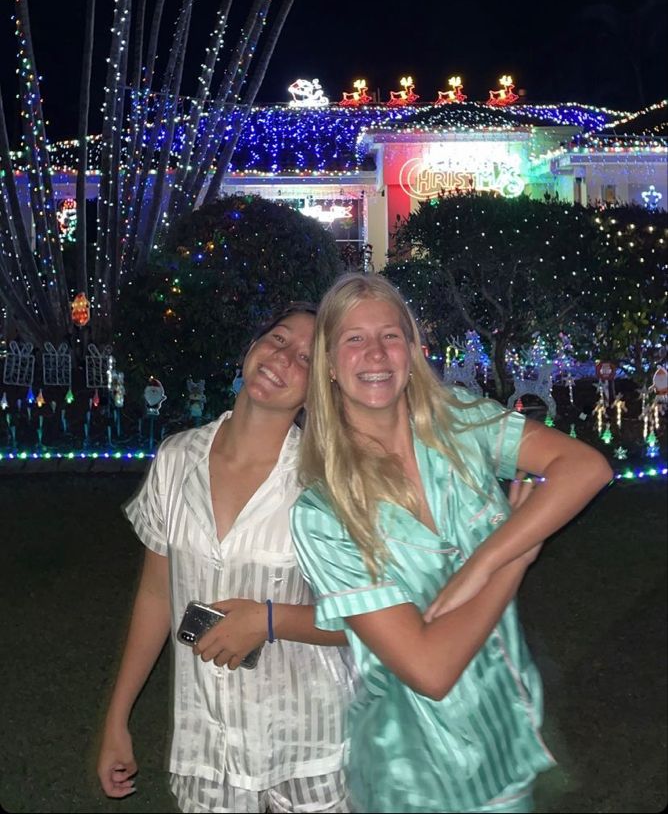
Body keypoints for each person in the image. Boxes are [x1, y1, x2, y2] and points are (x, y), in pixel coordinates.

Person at [290, 274, 614, 814]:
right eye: (353, 338)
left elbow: (587, 467)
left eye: (390, 335)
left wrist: (484, 558)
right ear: (327, 362)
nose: (375, 352)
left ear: (413, 349)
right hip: (416, 775)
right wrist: (515, 556)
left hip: (505, 741)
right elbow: (430, 670)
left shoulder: (461, 422)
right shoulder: (324, 514)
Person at [97, 303, 355, 813]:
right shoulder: (176, 459)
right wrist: (116, 717)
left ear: (320, 388)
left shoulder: (326, 482)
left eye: (306, 357)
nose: (283, 358)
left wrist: (268, 621)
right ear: (252, 347)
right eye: (279, 339)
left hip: (310, 741)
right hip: (208, 741)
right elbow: (156, 595)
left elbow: (370, 618)